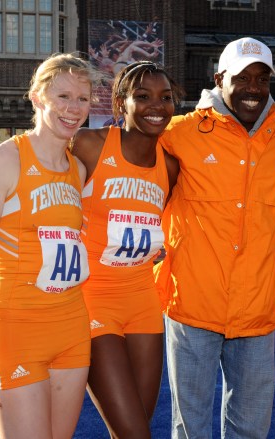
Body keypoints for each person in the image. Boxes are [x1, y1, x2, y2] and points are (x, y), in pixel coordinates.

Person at [155, 37, 275, 438]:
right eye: (243, 77)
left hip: (257, 310)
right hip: (192, 306)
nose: (253, 88)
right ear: (220, 78)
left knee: (252, 429)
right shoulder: (177, 133)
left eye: (262, 78)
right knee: (190, 429)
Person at [0, 53, 99, 438]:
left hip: (71, 328)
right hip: (17, 329)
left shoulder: (78, 169)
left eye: (83, 99)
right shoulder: (3, 160)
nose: (74, 109)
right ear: (37, 97)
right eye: (64, 97)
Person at [71, 61, 182, 438]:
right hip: (92, 299)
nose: (157, 106)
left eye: (165, 98)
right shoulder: (90, 145)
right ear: (121, 103)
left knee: (133, 428)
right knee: (136, 432)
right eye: (143, 96)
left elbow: (153, 223)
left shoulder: (169, 167)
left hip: (143, 302)